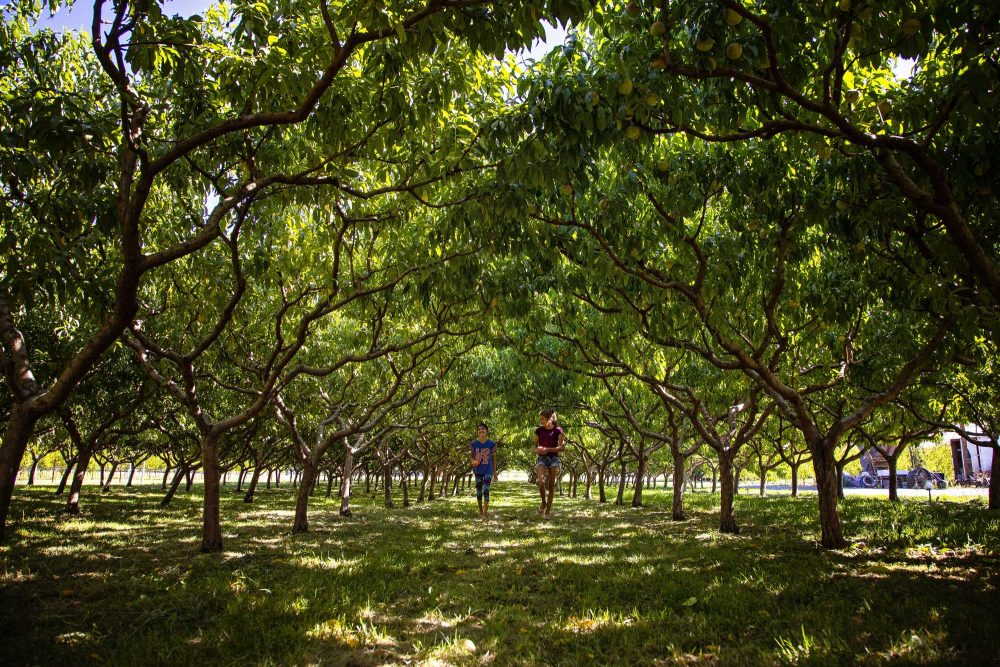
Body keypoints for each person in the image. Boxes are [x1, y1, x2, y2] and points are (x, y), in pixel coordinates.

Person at [534, 409, 564, 516]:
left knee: (551, 486)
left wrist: (548, 449)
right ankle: (543, 503)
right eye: (540, 419)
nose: (540, 421)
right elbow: (535, 446)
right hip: (542, 458)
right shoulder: (539, 430)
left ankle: (547, 512)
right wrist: (537, 449)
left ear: (549, 419)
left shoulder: (558, 430)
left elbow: (562, 448)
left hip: (553, 459)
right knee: (541, 482)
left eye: (542, 419)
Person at [469, 423, 497, 519]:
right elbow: (470, 456)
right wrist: (473, 461)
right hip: (478, 471)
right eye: (479, 429)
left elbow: (493, 458)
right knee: (479, 492)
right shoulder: (473, 444)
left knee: (486, 490)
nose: (481, 430)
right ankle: (480, 510)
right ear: (477, 432)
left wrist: (495, 472)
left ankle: (485, 513)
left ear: (487, 431)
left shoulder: (491, 444)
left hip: (488, 471)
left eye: (483, 429)